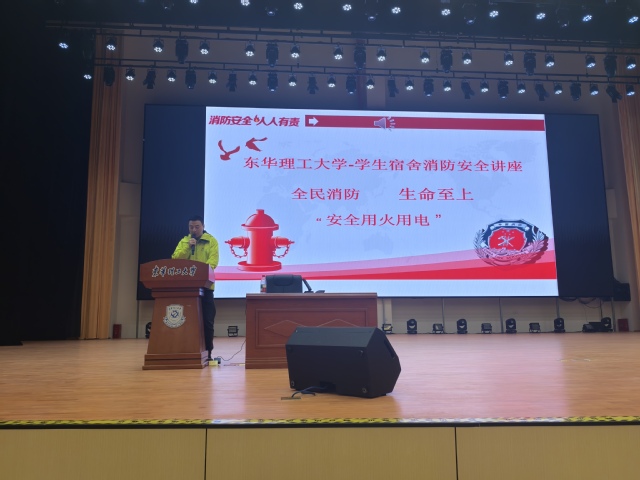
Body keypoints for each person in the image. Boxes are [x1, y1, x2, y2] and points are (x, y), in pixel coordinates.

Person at [171, 215, 219, 361]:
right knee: (187, 321)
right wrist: (188, 247)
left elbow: (213, 262)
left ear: (203, 226)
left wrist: (199, 274)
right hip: (188, 288)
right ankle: (187, 350)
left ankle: (208, 352)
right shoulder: (184, 241)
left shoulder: (211, 241)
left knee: (207, 321)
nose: (194, 229)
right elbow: (175, 259)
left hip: (206, 287)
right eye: (191, 227)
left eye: (197, 227)